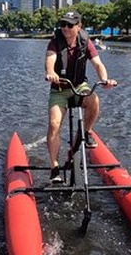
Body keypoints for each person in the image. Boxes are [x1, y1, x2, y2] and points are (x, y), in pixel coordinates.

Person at [44, 10, 117, 183]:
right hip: (60, 89)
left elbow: (98, 64)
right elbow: (50, 59)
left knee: (94, 101)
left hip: (79, 86)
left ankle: (86, 132)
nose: (65, 28)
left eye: (70, 25)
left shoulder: (85, 42)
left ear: (79, 26)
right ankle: (55, 168)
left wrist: (104, 80)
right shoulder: (55, 42)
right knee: (54, 124)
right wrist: (51, 72)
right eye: (63, 24)